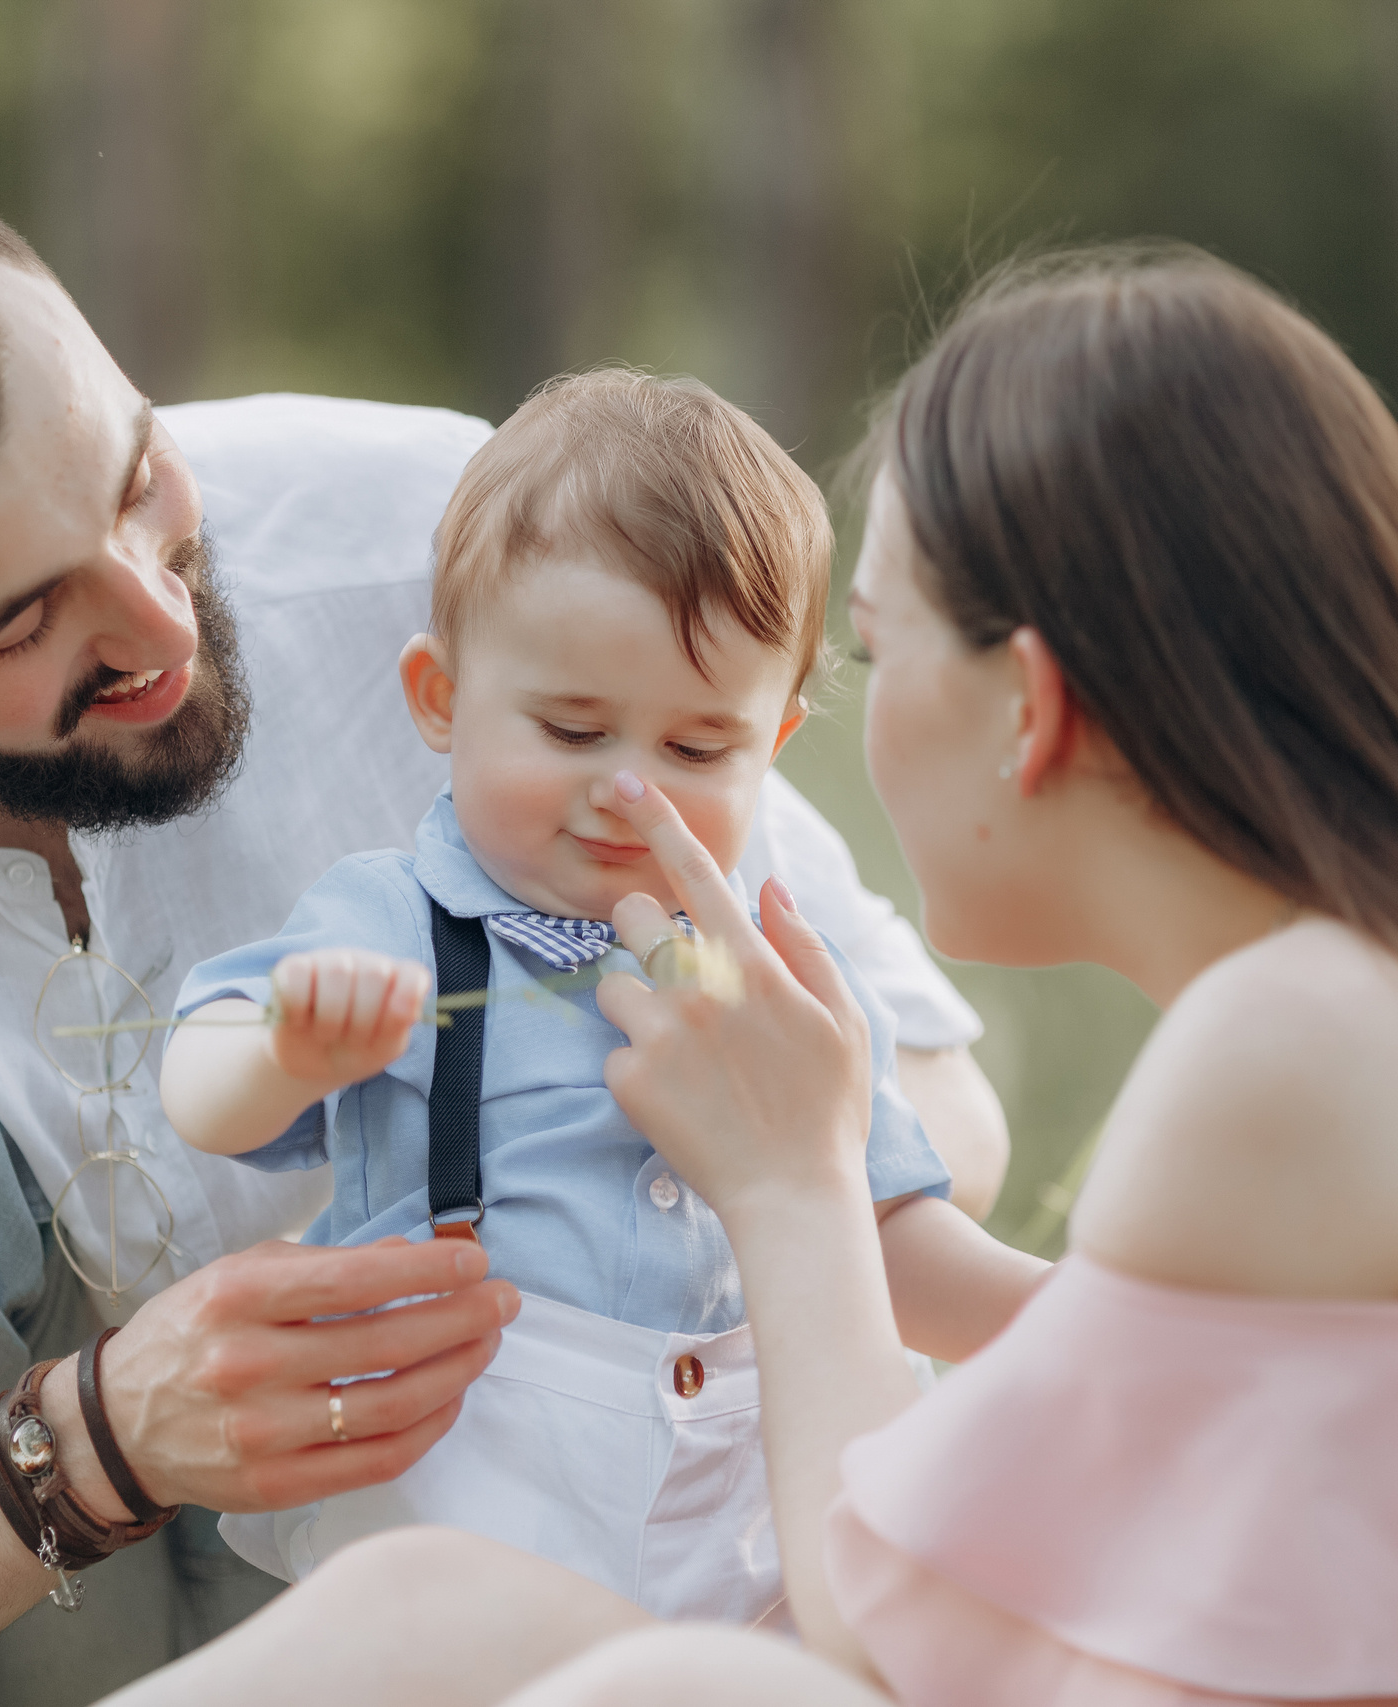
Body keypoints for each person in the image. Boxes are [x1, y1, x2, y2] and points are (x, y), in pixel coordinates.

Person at [88, 247, 1398, 1707]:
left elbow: (891, 1621)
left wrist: (792, 1175)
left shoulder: (1301, 1044)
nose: (758, 778)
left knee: (677, 1691)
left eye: (869, 651)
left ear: (1037, 707)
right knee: (430, 1612)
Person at [0, 134, 1008, 1707]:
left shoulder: (467, 546)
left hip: (485, 1499)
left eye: (139, 473)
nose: (161, 618)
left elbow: (924, 1099)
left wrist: (588, 1175)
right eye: (22, 620)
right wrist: (101, 1440)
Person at [158, 371, 1029, 1619]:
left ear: (772, 744)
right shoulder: (395, 921)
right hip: (465, 1531)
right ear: (440, 700)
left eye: (694, 750)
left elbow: (877, 1240)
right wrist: (289, 1050)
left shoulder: (778, 978)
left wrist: (1071, 1321)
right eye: (571, 732)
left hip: (745, 1551)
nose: (629, 792)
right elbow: (201, 1094)